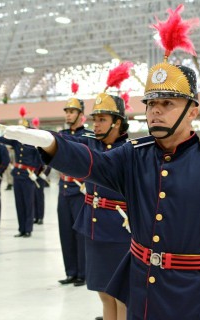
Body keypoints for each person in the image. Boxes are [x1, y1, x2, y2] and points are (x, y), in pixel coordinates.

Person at [0, 5, 200, 319]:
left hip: (191, 296)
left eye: (167, 103)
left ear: (193, 112)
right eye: (151, 104)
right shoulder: (134, 155)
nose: (155, 111)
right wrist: (52, 143)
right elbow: (94, 164)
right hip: (140, 290)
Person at [66, 73, 132, 320]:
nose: (96, 124)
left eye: (102, 119)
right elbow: (68, 144)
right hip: (93, 225)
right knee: (103, 292)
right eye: (95, 119)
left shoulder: (130, 152)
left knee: (121, 295)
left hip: (119, 228)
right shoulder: (90, 144)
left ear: (117, 122)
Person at [55, 82, 92, 287]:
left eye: (72, 111)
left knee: (80, 233)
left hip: (80, 190)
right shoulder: (62, 135)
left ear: (81, 114)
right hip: (64, 189)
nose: (69, 115)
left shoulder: (87, 137)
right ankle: (70, 271)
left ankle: (83, 273)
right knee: (65, 232)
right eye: (67, 111)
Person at [0, 108, 43, 238]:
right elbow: (1, 139)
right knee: (19, 203)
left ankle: (28, 229)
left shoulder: (34, 143)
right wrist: (4, 130)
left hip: (28, 176)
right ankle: (21, 229)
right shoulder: (16, 141)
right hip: (17, 174)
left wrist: (36, 173)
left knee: (28, 203)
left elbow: (41, 161)